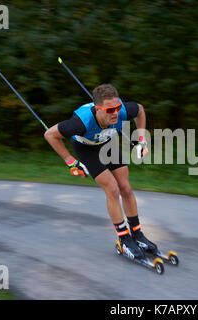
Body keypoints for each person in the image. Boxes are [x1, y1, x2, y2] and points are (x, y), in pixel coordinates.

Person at [44, 83, 156, 259]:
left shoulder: (123, 110)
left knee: (125, 188)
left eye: (117, 107)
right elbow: (50, 134)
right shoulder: (80, 123)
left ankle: (137, 235)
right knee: (112, 189)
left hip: (108, 142)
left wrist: (142, 140)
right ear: (98, 109)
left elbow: (140, 110)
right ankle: (124, 239)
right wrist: (71, 162)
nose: (116, 113)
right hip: (86, 148)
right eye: (110, 110)